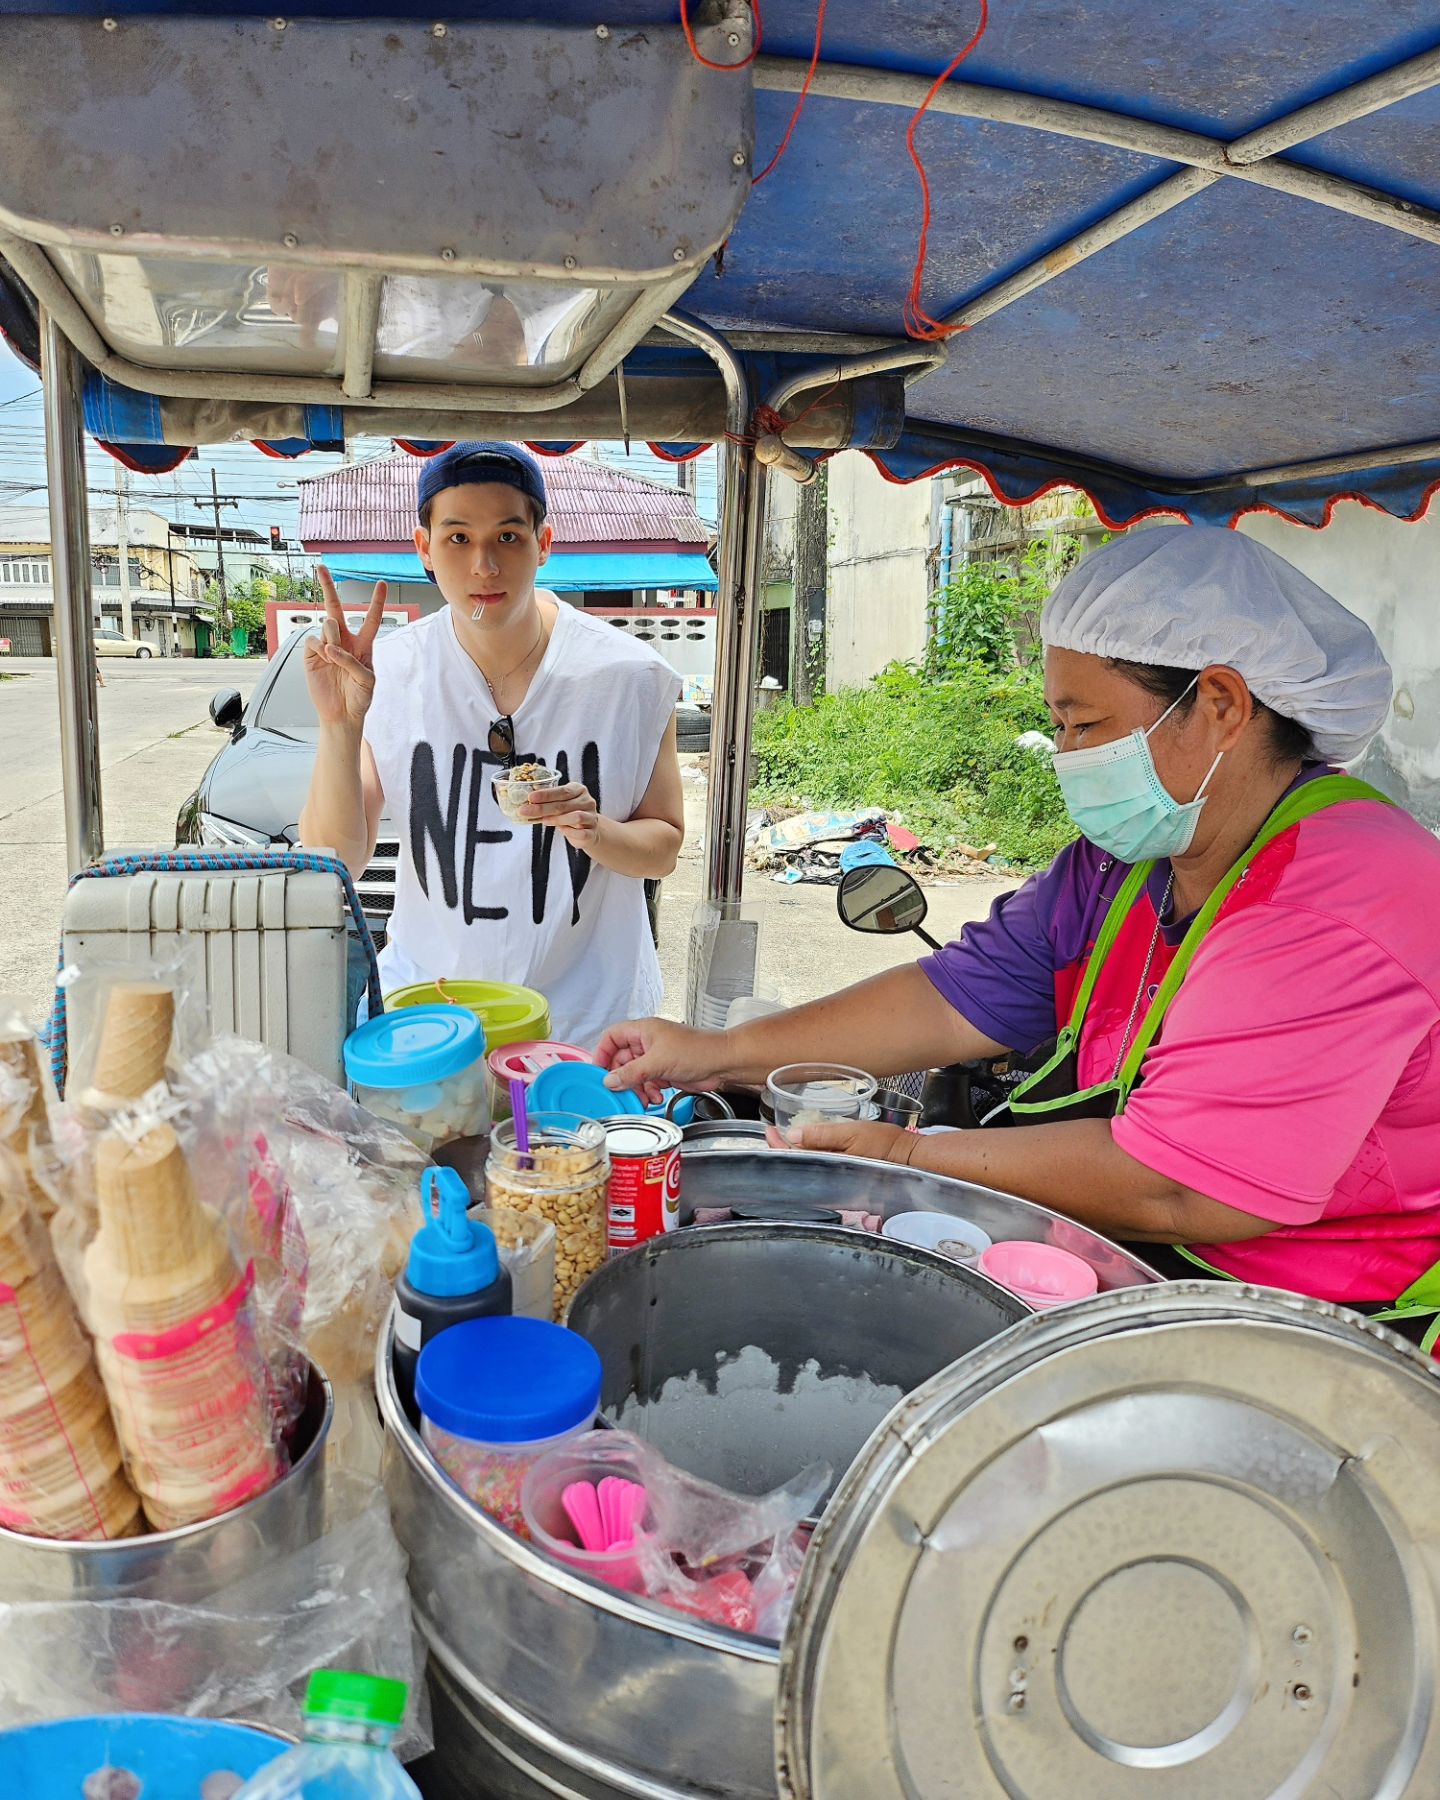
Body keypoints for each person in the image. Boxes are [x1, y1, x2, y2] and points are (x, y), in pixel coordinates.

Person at [600, 525, 1440, 1335]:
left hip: (1320, 1320)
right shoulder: (1126, 864)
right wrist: (711, 1052)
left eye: (1087, 726)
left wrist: (906, 1155)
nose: (1068, 756)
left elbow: (1182, 1186)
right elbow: (952, 997)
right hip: (1147, 1257)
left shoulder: (1334, 900)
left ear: (1218, 704)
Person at [298, 441, 684, 1048]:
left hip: (587, 1028)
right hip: (434, 1017)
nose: (483, 565)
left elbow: (662, 847)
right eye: (457, 538)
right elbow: (335, 860)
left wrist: (594, 829)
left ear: (544, 543)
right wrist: (341, 727)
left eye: (508, 537)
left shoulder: (630, 676)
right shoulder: (387, 672)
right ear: (424, 548)